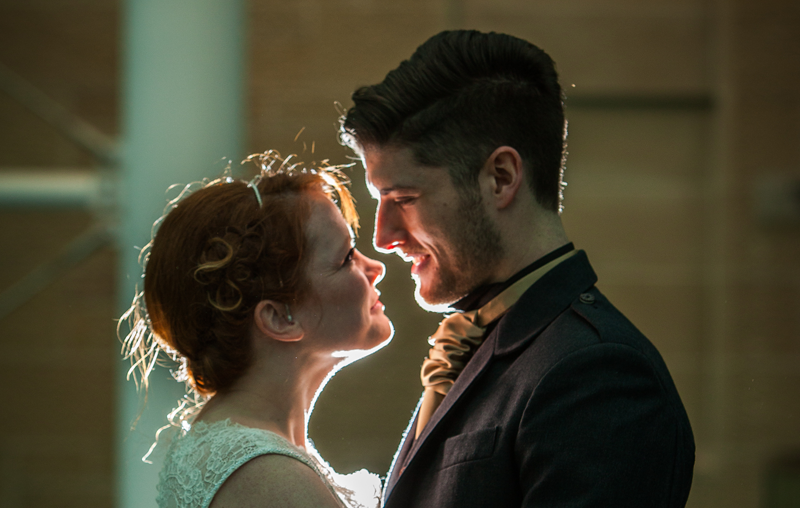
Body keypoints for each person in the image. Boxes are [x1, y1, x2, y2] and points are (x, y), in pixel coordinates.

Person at [339, 30, 695, 507]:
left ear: (501, 178)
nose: (383, 237)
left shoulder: (597, 374)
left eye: (403, 198)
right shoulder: (483, 341)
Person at [120, 153, 391, 508]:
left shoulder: (257, 453)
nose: (376, 268)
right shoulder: (266, 476)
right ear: (281, 318)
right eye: (346, 258)